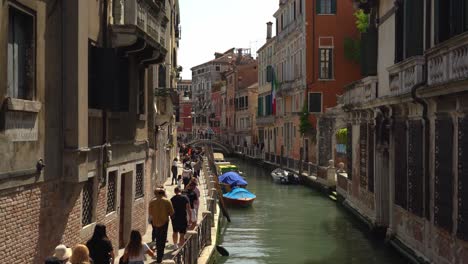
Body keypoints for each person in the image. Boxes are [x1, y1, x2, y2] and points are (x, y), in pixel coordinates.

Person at [148, 187, 174, 263]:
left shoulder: (152, 202)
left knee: (158, 239)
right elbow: (172, 213)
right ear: (163, 193)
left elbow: (150, 213)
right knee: (162, 240)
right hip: (164, 223)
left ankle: (159, 256)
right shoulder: (167, 201)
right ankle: (160, 257)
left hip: (155, 223)